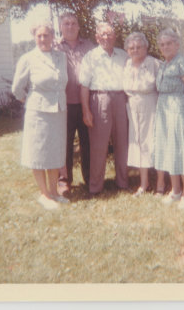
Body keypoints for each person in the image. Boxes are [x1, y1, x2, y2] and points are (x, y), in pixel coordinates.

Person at [12, 22, 69, 209]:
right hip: (38, 111)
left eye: (47, 35)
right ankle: (44, 194)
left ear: (53, 36)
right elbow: (17, 89)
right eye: (39, 36)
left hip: (59, 110)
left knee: (54, 151)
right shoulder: (28, 58)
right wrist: (29, 101)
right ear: (34, 37)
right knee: (38, 152)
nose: (43, 39)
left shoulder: (61, 57)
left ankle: (54, 191)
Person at [154, 28, 184, 209]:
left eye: (169, 43)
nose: (165, 47)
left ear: (177, 44)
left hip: (178, 111)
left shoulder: (181, 62)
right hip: (164, 112)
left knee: (182, 150)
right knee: (170, 149)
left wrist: (179, 103)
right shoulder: (164, 64)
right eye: (162, 44)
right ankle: (175, 191)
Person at [79, 22, 129, 194]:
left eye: (110, 34)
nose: (107, 37)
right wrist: (86, 111)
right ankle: (96, 186)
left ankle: (122, 182)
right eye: (103, 34)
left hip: (121, 99)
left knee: (122, 143)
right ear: (97, 37)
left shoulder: (123, 55)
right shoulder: (90, 57)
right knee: (99, 146)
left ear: (115, 37)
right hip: (100, 100)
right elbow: (84, 86)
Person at [54, 12, 95, 195]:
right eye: (66, 24)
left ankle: (90, 177)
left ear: (78, 27)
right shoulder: (54, 47)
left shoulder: (89, 46)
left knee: (88, 143)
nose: (70, 27)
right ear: (61, 27)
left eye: (73, 23)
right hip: (63, 103)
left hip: (87, 102)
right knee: (65, 143)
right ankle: (64, 180)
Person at [123, 32, 165, 197]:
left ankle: (160, 184)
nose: (135, 50)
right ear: (127, 50)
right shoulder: (126, 65)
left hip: (152, 107)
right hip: (133, 109)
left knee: (155, 143)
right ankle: (144, 183)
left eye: (139, 47)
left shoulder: (155, 64)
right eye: (131, 47)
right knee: (139, 144)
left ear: (146, 47)